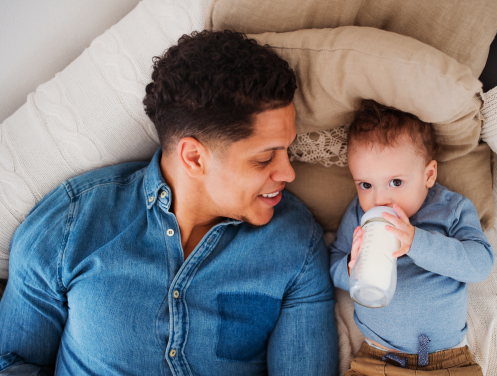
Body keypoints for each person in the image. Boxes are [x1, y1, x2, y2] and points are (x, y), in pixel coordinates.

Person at [0, 30, 338, 375]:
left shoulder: (295, 243)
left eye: (288, 150)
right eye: (265, 159)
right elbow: (11, 362)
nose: (289, 173)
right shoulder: (71, 223)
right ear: (194, 158)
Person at [329, 100, 494, 375]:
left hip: (448, 360)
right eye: (365, 185)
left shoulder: (451, 208)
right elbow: (335, 263)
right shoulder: (361, 213)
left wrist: (417, 241)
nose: (379, 199)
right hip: (378, 359)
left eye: (396, 182)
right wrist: (351, 264)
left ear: (428, 174)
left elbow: (480, 264)